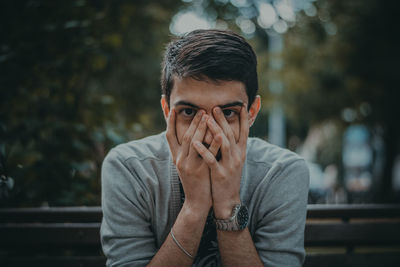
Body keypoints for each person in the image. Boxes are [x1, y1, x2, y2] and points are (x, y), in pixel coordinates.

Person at [100, 29, 309, 267]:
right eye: (189, 112)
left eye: (227, 113)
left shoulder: (283, 172)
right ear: (167, 111)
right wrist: (194, 207)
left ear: (252, 112)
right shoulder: (129, 168)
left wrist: (228, 202)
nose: (210, 133)